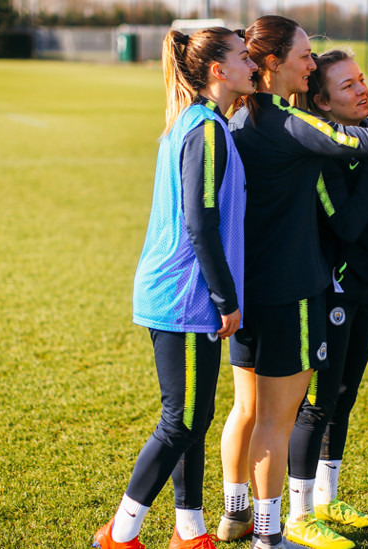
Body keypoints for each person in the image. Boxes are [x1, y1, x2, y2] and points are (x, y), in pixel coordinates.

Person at [214, 14, 368, 549]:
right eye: (305, 57)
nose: (310, 64)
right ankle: (275, 528)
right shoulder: (286, 121)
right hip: (290, 289)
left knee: (251, 410)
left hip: (249, 288)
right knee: (278, 420)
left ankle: (238, 515)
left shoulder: (237, 120)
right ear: (272, 65)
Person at [91, 26, 257, 549]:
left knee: (193, 418)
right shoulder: (205, 129)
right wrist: (226, 300)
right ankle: (120, 534)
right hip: (186, 295)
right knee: (180, 420)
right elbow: (199, 223)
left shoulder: (206, 123)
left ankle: (190, 531)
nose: (252, 63)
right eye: (242, 56)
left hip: (186, 294)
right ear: (217, 71)